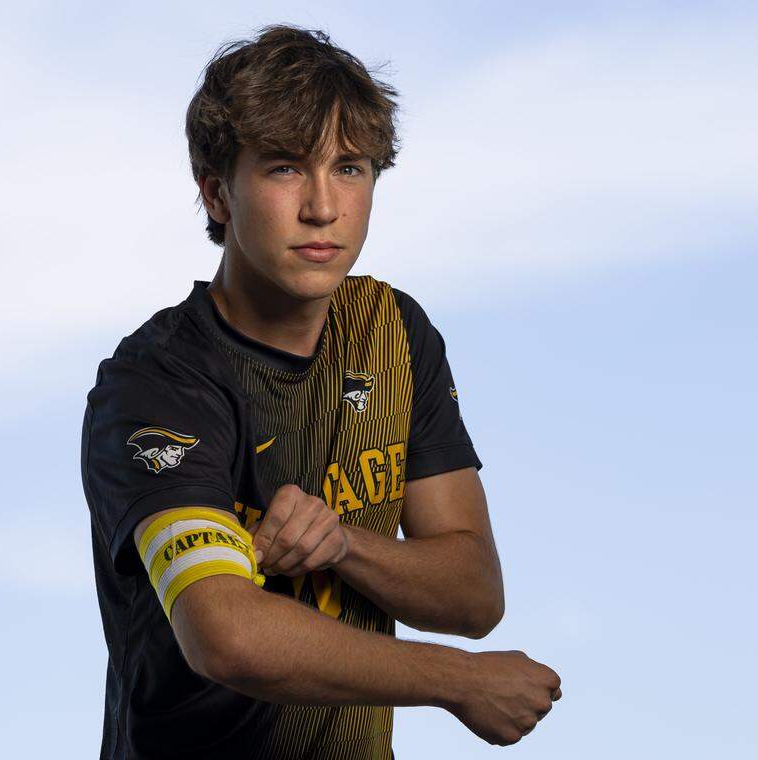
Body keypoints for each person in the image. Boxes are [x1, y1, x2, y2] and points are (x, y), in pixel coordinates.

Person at [80, 23, 561, 760]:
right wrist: (457, 681)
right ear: (216, 192)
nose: (323, 207)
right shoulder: (156, 381)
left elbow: (473, 594)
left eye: (350, 168)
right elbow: (226, 635)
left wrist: (344, 545)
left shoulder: (392, 332)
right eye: (283, 169)